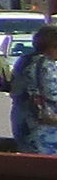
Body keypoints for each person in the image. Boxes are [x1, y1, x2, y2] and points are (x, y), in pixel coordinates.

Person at [18, 27, 57, 156]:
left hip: (24, 121)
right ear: (52, 46)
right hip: (47, 129)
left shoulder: (24, 60)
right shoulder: (47, 64)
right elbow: (52, 93)